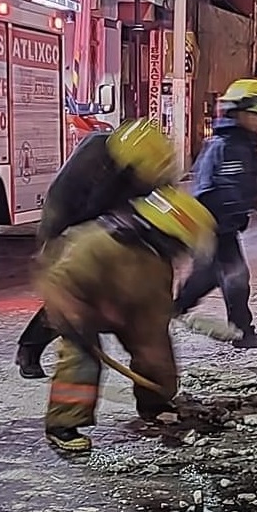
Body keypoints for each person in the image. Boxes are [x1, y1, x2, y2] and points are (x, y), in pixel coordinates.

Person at [37, 185, 216, 453]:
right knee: (82, 362)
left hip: (126, 308)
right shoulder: (96, 243)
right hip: (81, 305)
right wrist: (74, 316)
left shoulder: (156, 261)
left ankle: (155, 403)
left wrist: (152, 350)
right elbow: (57, 282)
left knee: (157, 349)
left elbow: (154, 313)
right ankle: (62, 426)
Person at [15, 119, 178, 379]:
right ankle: (29, 349)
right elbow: (60, 206)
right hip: (71, 224)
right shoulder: (93, 160)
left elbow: (157, 205)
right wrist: (53, 248)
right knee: (71, 293)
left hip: (107, 231)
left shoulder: (148, 162)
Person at [174, 78, 257, 349]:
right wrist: (232, 206)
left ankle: (175, 310)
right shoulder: (221, 146)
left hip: (226, 226)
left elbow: (248, 178)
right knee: (234, 276)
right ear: (239, 114)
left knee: (211, 276)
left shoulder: (246, 145)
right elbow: (208, 188)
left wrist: (256, 197)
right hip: (211, 226)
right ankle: (242, 333)